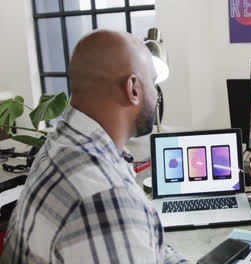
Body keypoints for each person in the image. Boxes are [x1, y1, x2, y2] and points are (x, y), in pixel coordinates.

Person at [1, 30, 189, 263]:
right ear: (133, 89)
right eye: (152, 83)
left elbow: (144, 247)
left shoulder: (58, 146)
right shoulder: (106, 198)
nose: (157, 96)